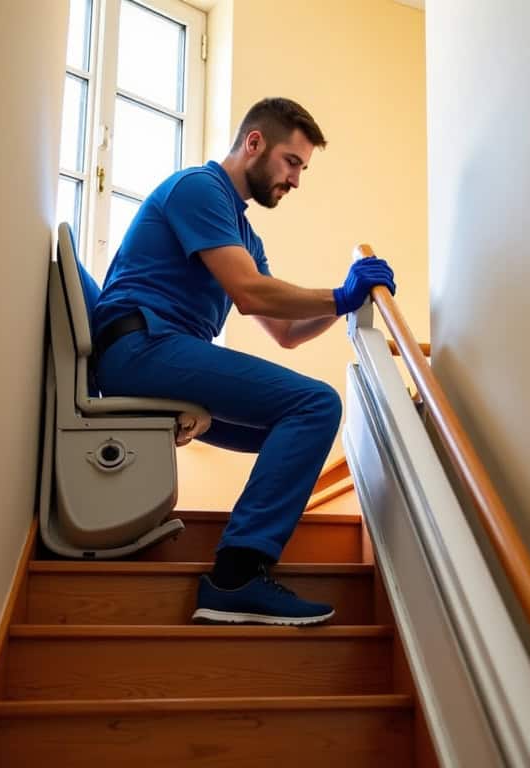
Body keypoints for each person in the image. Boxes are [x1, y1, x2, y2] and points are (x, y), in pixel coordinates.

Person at [92, 97, 396, 626]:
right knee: (315, 404)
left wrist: (352, 300)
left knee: (291, 429)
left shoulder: (243, 231)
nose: (297, 181)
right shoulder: (199, 189)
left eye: (303, 168)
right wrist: (340, 296)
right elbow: (251, 293)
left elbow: (285, 333)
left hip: (164, 354)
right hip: (138, 346)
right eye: (291, 162)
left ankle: (237, 575)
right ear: (254, 143)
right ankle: (237, 574)